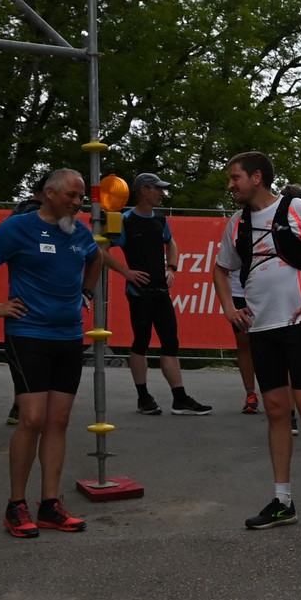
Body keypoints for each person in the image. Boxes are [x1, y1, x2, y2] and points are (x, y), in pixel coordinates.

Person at [210, 150, 301, 532]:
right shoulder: (237, 223)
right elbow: (220, 270)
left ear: (256, 177)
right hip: (260, 328)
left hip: (299, 323)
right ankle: (282, 501)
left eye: (235, 177)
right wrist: (229, 309)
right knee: (275, 411)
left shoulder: (297, 209)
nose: (230, 184)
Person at [0, 168, 102, 538]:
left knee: (59, 420)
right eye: (71, 195)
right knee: (33, 418)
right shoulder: (18, 227)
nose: (78, 202)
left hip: (69, 336)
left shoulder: (79, 232)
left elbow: (96, 258)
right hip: (28, 335)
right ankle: (16, 505)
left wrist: (85, 293)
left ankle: (50, 505)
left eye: (81, 196)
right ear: (49, 194)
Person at [105, 173, 211, 417]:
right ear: (144, 190)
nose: (162, 193)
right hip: (138, 293)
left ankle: (180, 399)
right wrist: (126, 272)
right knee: (141, 342)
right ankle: (143, 398)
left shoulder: (160, 219)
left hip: (161, 291)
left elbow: (171, 242)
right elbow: (100, 250)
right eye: (158, 189)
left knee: (170, 343)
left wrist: (171, 268)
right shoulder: (125, 220)